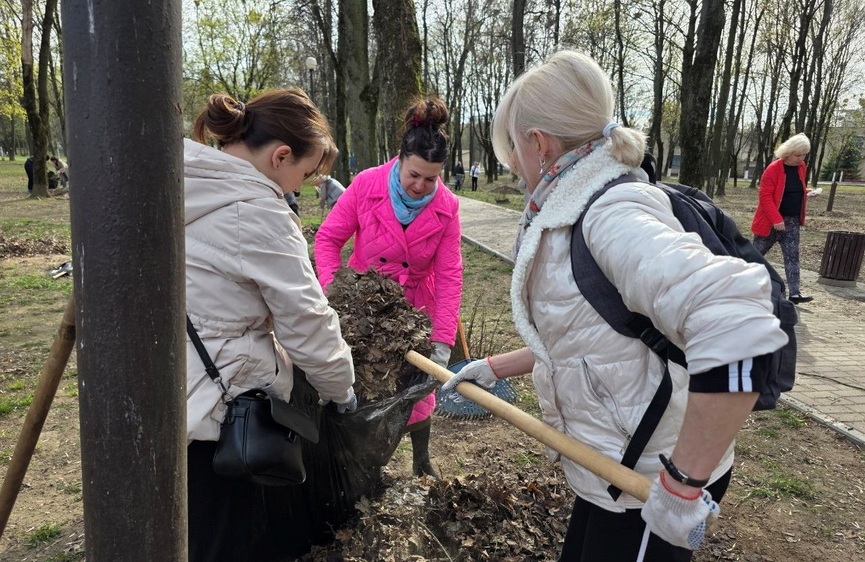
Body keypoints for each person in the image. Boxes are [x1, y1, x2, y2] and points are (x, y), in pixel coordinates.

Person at [441, 50, 787, 561]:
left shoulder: (610, 213)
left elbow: (739, 324)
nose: (512, 162)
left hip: (648, 480)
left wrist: (681, 487)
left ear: (539, 143)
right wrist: (493, 367)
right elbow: (593, 336)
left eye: (513, 145)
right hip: (610, 473)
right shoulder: (567, 209)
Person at [184, 89, 357, 562]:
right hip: (216, 418)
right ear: (281, 155)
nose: (296, 189)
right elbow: (306, 320)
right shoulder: (257, 212)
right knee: (223, 542)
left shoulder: (175, 181)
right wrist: (340, 389)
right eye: (301, 175)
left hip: (160, 401)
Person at [314, 97, 463, 479]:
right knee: (368, 383)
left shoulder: (447, 206)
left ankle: (421, 458)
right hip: (365, 307)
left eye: (431, 179)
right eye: (414, 174)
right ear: (400, 158)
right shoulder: (366, 185)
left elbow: (449, 275)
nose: (420, 186)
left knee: (418, 392)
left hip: (414, 311)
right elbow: (328, 240)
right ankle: (366, 463)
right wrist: (339, 293)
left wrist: (443, 340)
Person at [750, 133, 812, 304]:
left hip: (791, 222)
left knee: (792, 256)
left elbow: (792, 190)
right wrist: (776, 220)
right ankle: (736, 284)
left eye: (804, 155)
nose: (801, 159)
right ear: (788, 152)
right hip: (771, 222)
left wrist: (806, 193)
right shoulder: (773, 169)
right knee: (754, 255)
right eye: (798, 155)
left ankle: (795, 293)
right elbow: (766, 197)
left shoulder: (801, 167)